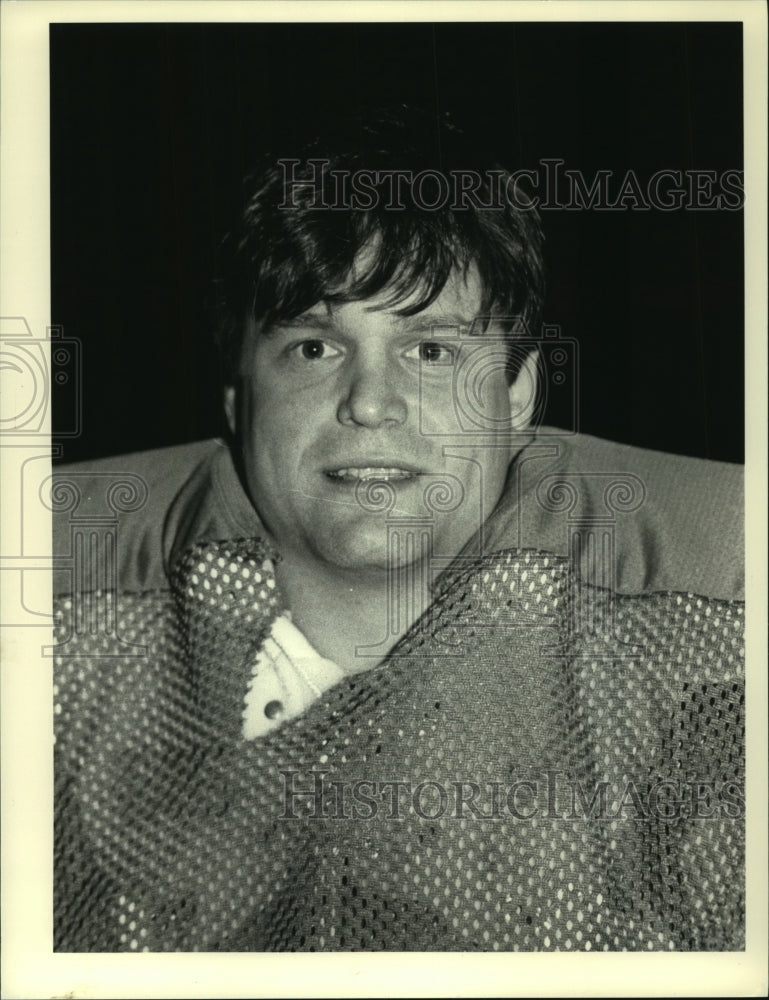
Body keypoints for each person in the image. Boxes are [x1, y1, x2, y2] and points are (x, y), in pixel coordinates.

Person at [52, 108, 744, 952]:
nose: (370, 403)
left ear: (517, 394)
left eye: (432, 352)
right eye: (313, 348)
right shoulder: (53, 628)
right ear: (237, 397)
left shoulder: (718, 623)